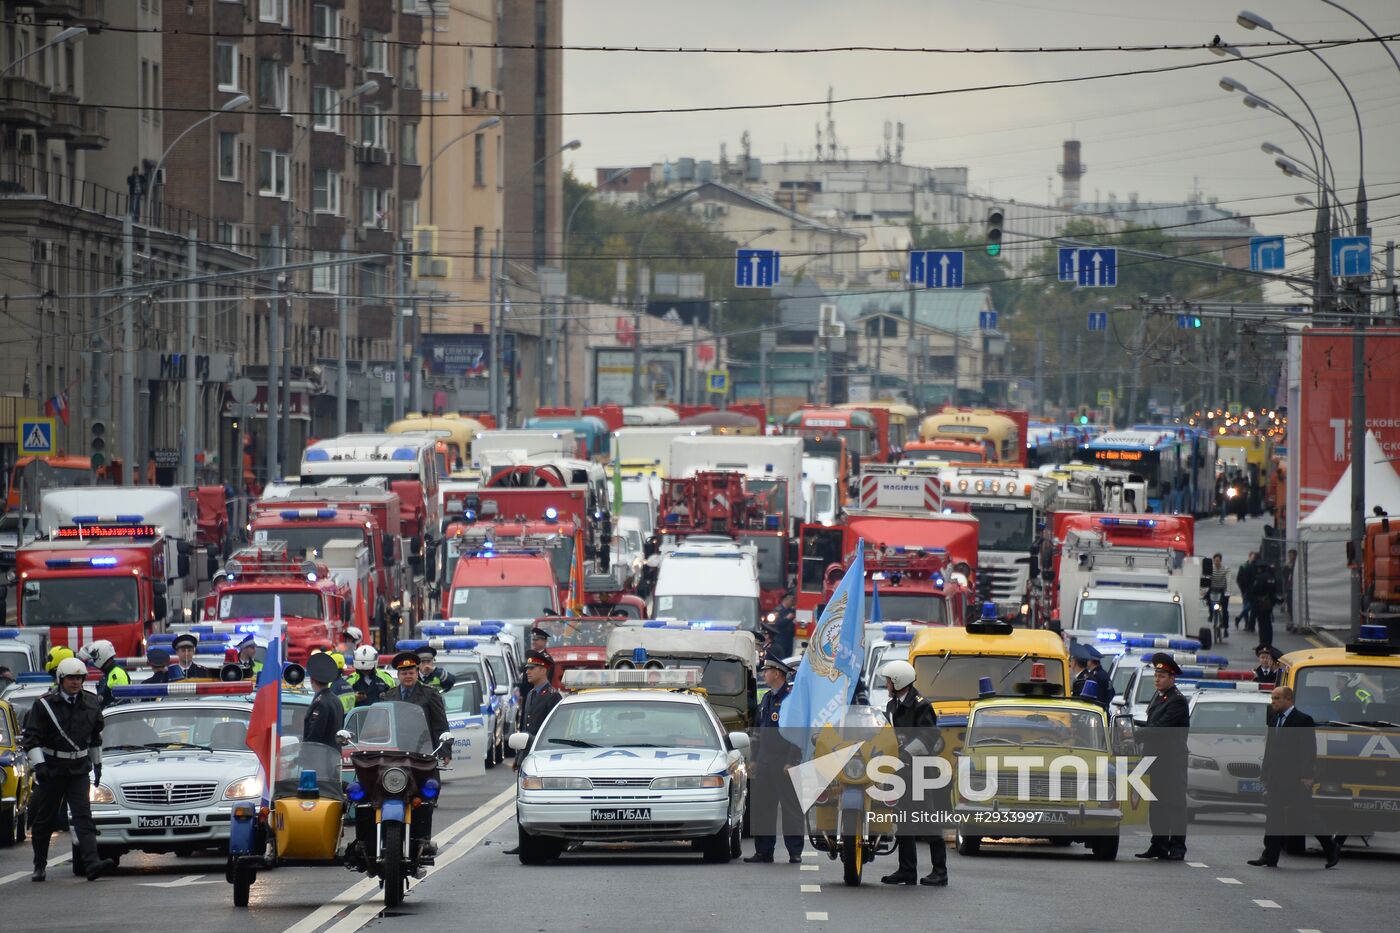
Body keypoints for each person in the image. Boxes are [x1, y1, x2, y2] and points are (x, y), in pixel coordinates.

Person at [21, 656, 115, 881]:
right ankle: (39, 865)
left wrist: (98, 764)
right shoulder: (44, 705)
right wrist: (40, 766)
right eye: (71, 678)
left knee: (84, 816)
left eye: (79, 678)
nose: (75, 682)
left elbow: (95, 737)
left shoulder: (91, 703)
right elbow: (31, 739)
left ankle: (92, 863)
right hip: (52, 769)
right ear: (61, 679)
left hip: (79, 768)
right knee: (45, 818)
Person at [1248, 686, 1340, 869]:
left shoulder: (1303, 720)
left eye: (1277, 698)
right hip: (1276, 778)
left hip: (1296, 779)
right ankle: (1270, 856)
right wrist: (1265, 772)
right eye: (1272, 698)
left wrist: (1307, 775)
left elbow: (1309, 749)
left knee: (1306, 816)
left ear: (1288, 699)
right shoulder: (1274, 718)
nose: (1273, 702)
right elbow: (1271, 749)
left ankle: (1331, 847)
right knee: (1273, 818)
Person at [879, 658, 947, 887]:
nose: (886, 684)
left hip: (919, 770)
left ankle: (940, 872)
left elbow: (929, 736)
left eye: (888, 680)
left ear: (898, 682)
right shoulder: (892, 705)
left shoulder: (920, 705)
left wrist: (907, 755)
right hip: (900, 770)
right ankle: (907, 870)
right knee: (903, 819)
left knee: (927, 819)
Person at [502, 650, 561, 856]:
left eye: (532, 668)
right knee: (521, 800)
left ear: (543, 669)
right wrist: (519, 757)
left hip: (542, 755)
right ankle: (524, 840)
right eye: (527, 669)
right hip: (528, 754)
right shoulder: (531, 695)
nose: (528, 672)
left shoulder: (553, 696)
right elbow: (524, 729)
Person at [744, 657, 803, 864]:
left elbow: (796, 734)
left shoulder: (791, 699)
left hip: (784, 761)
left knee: (790, 807)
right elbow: (758, 731)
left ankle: (795, 851)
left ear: (777, 673)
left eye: (767, 671)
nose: (763, 674)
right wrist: (754, 759)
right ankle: (764, 851)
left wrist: (791, 760)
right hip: (766, 760)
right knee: (763, 807)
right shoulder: (767, 698)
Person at [1136, 652, 1190, 861]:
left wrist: (1134, 734)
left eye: (1162, 676)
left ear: (1172, 678)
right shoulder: (1159, 696)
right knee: (1156, 805)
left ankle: (1177, 847)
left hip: (1171, 762)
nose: (1157, 679)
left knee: (1174, 805)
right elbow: (1152, 725)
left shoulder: (1176, 701)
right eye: (1156, 675)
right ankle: (1158, 845)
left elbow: (1161, 729)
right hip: (1156, 760)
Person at [302, 652, 345, 747]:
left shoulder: (320, 703)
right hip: (332, 757)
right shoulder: (336, 700)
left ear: (312, 679)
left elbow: (313, 738)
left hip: (319, 758)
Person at [89, 640, 129, 708]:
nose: (94, 660)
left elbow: (121, 704)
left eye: (95, 656)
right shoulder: (108, 673)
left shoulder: (118, 675)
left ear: (102, 654)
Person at [1251, 559, 1279, 648]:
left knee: (1262, 624)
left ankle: (1263, 643)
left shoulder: (1260, 577)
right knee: (1268, 623)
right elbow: (1274, 590)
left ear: (1260, 568)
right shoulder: (1272, 577)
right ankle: (1269, 642)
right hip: (1269, 603)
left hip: (1261, 603)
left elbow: (1256, 590)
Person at [762, 591, 797, 660]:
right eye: (791, 600)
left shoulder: (792, 611)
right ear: (785, 600)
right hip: (781, 639)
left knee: (788, 659)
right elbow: (777, 624)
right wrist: (787, 618)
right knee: (781, 658)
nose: (792, 602)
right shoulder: (778, 611)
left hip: (789, 640)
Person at [1207, 552, 1230, 641]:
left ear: (1220, 561)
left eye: (1218, 561)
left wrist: (1227, 592)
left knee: (1225, 609)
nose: (1216, 562)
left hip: (1222, 591)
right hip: (1213, 590)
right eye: (1215, 561)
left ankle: (1225, 627)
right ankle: (1211, 615)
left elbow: (1228, 581)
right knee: (1209, 601)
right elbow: (1207, 579)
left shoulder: (1225, 569)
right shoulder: (1211, 569)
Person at [1236, 552, 1259, 631]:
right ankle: (1246, 623)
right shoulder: (1244, 566)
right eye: (1252, 557)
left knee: (1248, 606)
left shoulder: (1253, 566)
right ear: (1249, 557)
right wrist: (1243, 589)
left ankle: (1240, 618)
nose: (1253, 559)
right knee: (1247, 605)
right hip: (1246, 590)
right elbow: (1239, 579)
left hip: (1251, 590)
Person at [1283, 549, 1298, 633]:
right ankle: (1290, 622)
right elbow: (1284, 574)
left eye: (1290, 555)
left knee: (1292, 606)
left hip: (1294, 588)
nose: (1289, 557)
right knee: (1289, 606)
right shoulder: (1289, 563)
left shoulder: (1296, 563)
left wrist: (1290, 568)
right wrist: (1286, 567)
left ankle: (1293, 622)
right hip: (1289, 587)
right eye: (1289, 555)